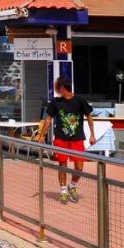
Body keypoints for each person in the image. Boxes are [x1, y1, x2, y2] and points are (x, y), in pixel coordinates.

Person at [39, 76, 96, 204]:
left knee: (79, 167)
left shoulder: (80, 100)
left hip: (77, 139)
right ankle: (63, 191)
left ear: (63, 88)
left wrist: (92, 135)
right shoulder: (56, 102)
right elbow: (48, 119)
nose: (57, 91)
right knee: (62, 165)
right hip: (61, 139)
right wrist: (42, 135)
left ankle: (73, 186)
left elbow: (89, 117)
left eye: (58, 89)